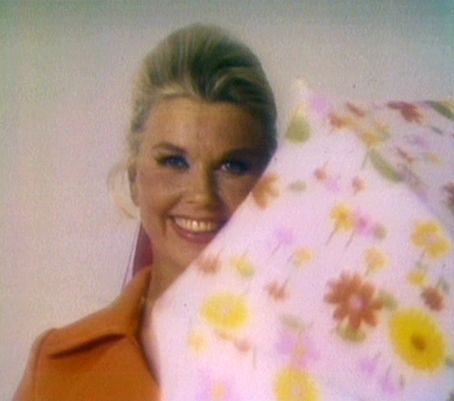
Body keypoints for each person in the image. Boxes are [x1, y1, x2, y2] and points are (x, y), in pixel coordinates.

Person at [13, 23, 277, 401]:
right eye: (174, 161)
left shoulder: (332, 360)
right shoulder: (59, 368)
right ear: (135, 179)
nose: (202, 196)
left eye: (232, 166)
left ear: (272, 185)